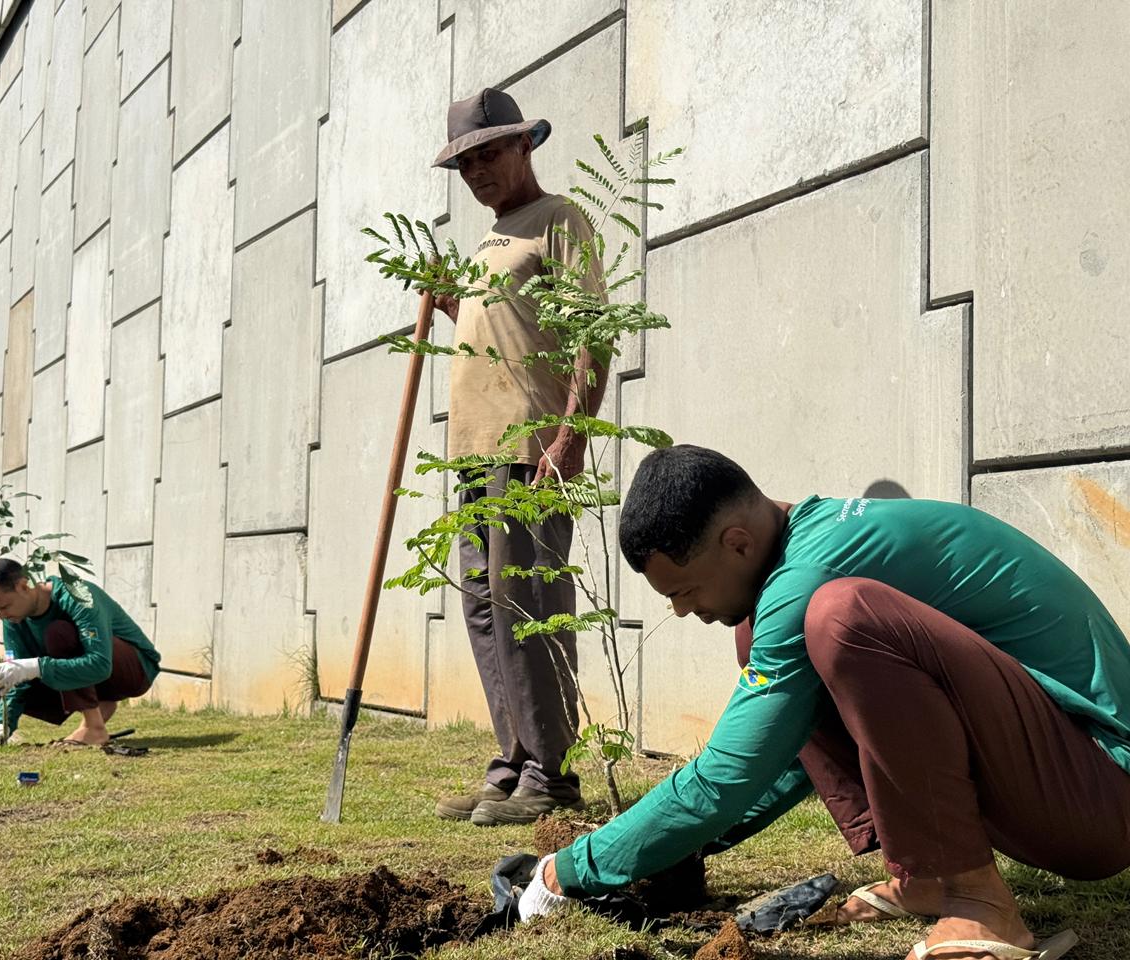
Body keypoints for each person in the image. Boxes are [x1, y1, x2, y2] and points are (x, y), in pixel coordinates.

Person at [519, 445, 1130, 960]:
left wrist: (566, 870)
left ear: (736, 542)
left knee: (841, 619)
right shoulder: (801, 555)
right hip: (1053, 778)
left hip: (1102, 792)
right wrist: (666, 845)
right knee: (775, 634)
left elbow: (727, 776)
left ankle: (982, 908)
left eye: (684, 590)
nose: (681, 611)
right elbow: (781, 757)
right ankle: (926, 877)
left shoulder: (813, 571)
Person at [429, 88, 609, 826]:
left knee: (530, 607)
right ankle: (510, 765)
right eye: (465, 163)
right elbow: (501, 335)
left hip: (528, 451)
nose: (477, 172)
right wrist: (450, 303)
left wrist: (571, 437)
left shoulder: (560, 220)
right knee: (486, 611)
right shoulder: (488, 242)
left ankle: (552, 778)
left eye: (489, 155)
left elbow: (591, 337)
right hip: (473, 458)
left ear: (524, 146)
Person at [0, 558, 161, 748]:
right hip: (94, 677)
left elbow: (100, 664)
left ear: (24, 586)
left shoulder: (77, 594)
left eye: (4, 606)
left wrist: (36, 667)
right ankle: (100, 706)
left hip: (134, 670)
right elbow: (17, 678)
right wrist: (2, 723)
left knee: (59, 633)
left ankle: (93, 727)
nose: (1, 616)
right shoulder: (14, 620)